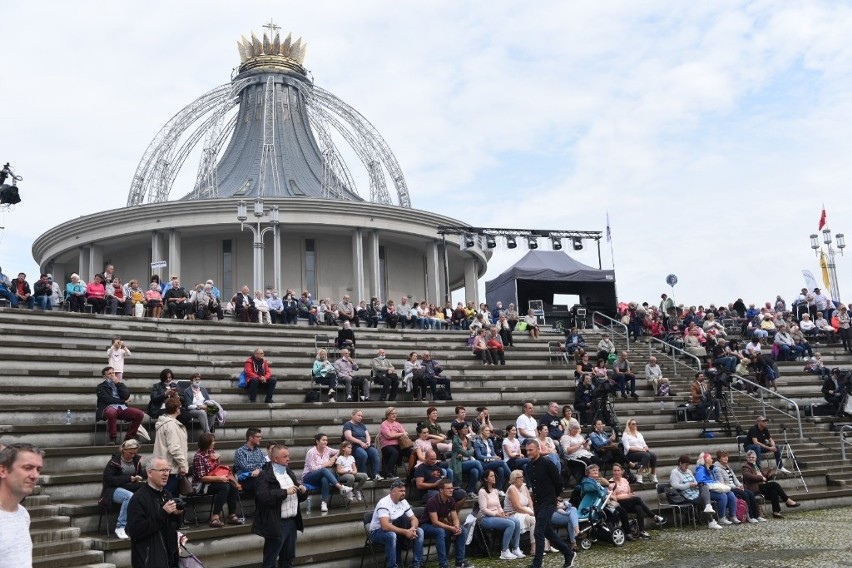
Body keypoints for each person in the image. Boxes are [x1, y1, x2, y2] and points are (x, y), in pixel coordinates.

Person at [253, 445, 308, 568]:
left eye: (288, 456)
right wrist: (284, 492)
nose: (288, 459)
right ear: (276, 459)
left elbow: (298, 496)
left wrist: (303, 492)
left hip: (292, 522)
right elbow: (263, 497)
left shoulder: (288, 472)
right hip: (276, 523)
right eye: (285, 456)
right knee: (270, 560)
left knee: (288, 558)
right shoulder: (264, 475)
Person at [525, 439, 576, 568]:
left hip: (548, 502)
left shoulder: (547, 463)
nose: (529, 452)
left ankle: (537, 563)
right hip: (538, 503)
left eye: (531, 450)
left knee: (538, 532)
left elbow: (559, 482)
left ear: (537, 449)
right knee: (548, 532)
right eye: (527, 450)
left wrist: (554, 497)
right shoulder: (528, 466)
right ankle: (568, 553)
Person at [126, 456, 184, 568]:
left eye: (168, 470)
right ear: (150, 473)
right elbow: (135, 531)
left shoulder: (167, 494)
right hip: (149, 560)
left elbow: (174, 526)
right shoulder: (138, 498)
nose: (166, 474)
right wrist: (163, 513)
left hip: (170, 557)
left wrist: (177, 516)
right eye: (162, 470)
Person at [0, 443, 44, 567]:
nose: (35, 475)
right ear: (3, 471)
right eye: (28, 467)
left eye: (38, 469)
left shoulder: (23, 514)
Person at [369, 479, 425, 568]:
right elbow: (385, 526)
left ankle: (417, 564)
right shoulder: (384, 503)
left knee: (420, 531)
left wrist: (412, 528)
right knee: (391, 535)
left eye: (404, 491)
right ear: (393, 492)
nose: (403, 493)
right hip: (377, 532)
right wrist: (405, 532)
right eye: (401, 491)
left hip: (397, 528)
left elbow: (414, 519)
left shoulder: (403, 501)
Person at [192, 433, 243, 527]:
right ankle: (215, 518)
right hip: (202, 485)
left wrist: (217, 460)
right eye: (213, 441)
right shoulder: (198, 457)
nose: (214, 443)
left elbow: (216, 469)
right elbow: (202, 478)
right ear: (207, 443)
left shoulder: (210, 451)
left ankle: (232, 515)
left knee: (232, 486)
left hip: (213, 481)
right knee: (224, 487)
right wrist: (219, 478)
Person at [99, 439, 147, 540]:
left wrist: (140, 476)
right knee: (129, 496)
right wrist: (129, 478)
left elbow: (139, 474)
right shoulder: (114, 462)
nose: (133, 455)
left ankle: (143, 523)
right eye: (130, 453)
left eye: (135, 453)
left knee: (147, 491)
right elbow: (109, 480)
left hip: (131, 487)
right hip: (113, 490)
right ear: (124, 450)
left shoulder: (136, 460)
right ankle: (120, 527)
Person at [419, 478, 472, 568]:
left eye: (452, 488)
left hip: (441, 524)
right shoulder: (432, 501)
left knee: (462, 530)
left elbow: (455, 517)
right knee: (441, 531)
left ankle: (460, 562)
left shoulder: (450, 500)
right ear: (441, 490)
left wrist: (456, 526)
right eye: (448, 488)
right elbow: (435, 522)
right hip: (427, 525)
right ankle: (443, 564)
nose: (451, 490)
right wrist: (451, 528)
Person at [608, 463, 665, 539]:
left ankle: (641, 531)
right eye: (614, 470)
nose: (616, 472)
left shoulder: (624, 480)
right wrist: (627, 496)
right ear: (612, 471)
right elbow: (614, 498)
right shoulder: (611, 482)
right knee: (637, 499)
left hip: (629, 501)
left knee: (639, 508)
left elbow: (629, 492)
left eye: (618, 470)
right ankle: (653, 516)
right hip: (620, 503)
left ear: (622, 471)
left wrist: (631, 495)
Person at [478, 469, 523, 560]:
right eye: (491, 476)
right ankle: (504, 551)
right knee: (510, 524)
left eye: (494, 475)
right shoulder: (482, 491)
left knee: (516, 521)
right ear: (486, 479)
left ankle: (515, 548)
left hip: (497, 515)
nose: (494, 477)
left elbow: (498, 506)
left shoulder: (495, 490)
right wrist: (497, 515)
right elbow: (483, 509)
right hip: (485, 518)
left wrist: (502, 513)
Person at [302, 433, 353, 513]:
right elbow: (312, 469)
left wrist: (334, 457)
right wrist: (327, 464)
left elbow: (339, 451)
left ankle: (324, 503)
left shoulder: (327, 449)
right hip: (309, 477)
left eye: (326, 440)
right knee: (324, 470)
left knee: (325, 479)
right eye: (323, 440)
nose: (325, 442)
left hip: (321, 476)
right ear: (317, 441)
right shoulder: (311, 452)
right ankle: (341, 487)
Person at [669, 454, 721, 529]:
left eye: (688, 465)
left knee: (704, 486)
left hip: (695, 492)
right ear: (680, 463)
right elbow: (675, 486)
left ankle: (708, 508)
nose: (687, 467)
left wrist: (696, 484)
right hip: (686, 495)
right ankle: (711, 521)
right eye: (686, 465)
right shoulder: (675, 472)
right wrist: (689, 485)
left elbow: (695, 481)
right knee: (705, 500)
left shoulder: (689, 471)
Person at [741, 450, 799, 518]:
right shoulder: (745, 467)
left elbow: (764, 477)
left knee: (774, 492)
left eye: (753, 457)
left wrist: (769, 475)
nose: (751, 458)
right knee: (774, 484)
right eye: (749, 457)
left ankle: (776, 512)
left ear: (756, 458)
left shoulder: (757, 466)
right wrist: (761, 478)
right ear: (747, 458)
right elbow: (748, 476)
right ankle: (787, 500)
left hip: (761, 485)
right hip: (754, 487)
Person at [96, 366, 146, 445]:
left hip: (122, 408)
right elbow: (107, 399)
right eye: (109, 374)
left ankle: (128, 439)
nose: (112, 375)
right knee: (111, 412)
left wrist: (118, 384)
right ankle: (113, 438)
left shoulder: (119, 384)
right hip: (108, 407)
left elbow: (126, 395)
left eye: (113, 373)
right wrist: (122, 401)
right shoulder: (101, 387)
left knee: (139, 414)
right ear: (104, 377)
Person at [713, 450, 763, 523]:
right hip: (728, 489)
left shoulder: (727, 467)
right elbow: (722, 484)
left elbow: (735, 478)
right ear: (719, 459)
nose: (726, 458)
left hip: (735, 487)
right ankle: (749, 516)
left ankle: (756, 515)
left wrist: (739, 485)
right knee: (744, 494)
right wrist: (735, 487)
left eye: (726, 457)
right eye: (724, 457)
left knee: (750, 493)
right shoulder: (717, 469)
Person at [152, 397, 189, 495]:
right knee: (168, 499)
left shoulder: (164, 423)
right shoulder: (171, 425)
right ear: (177, 408)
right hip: (170, 468)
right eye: (180, 407)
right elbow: (174, 448)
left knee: (170, 500)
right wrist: (183, 465)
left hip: (165, 467)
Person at [503, 468, 538, 555]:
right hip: (514, 514)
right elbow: (517, 507)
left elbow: (530, 502)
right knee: (534, 520)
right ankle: (534, 548)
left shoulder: (524, 486)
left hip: (525, 512)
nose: (522, 479)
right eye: (519, 477)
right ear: (514, 479)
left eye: (522, 477)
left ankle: (539, 546)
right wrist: (531, 513)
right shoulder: (512, 489)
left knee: (538, 519)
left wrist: (532, 511)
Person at [343, 409, 382, 480]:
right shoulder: (348, 424)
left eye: (361, 416)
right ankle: (362, 475)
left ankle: (376, 474)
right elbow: (348, 437)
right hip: (354, 445)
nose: (360, 417)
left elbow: (367, 435)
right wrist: (360, 442)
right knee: (363, 454)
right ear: (352, 415)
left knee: (375, 452)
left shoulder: (362, 425)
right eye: (358, 415)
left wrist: (368, 442)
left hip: (365, 445)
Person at [473, 425, 511, 490]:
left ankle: (499, 489)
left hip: (492, 462)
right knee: (502, 462)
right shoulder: (477, 442)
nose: (489, 432)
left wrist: (496, 457)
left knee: (500, 469)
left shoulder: (490, 441)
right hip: (484, 463)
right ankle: (513, 479)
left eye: (489, 430)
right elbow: (479, 456)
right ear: (482, 432)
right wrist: (493, 458)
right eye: (486, 430)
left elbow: (493, 453)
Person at [621, 418, 658, 483]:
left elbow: (644, 444)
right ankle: (639, 474)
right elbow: (628, 448)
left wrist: (646, 448)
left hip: (641, 452)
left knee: (653, 455)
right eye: (633, 424)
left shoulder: (639, 434)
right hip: (630, 454)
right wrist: (640, 449)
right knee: (646, 455)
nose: (635, 425)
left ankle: (652, 474)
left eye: (635, 424)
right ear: (629, 425)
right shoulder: (625, 434)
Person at [379, 407, 410, 479]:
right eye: (392, 413)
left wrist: (396, 434)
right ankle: (389, 474)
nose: (394, 415)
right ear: (387, 415)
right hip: (387, 446)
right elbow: (389, 436)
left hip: (400, 445)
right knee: (394, 453)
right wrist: (400, 434)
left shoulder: (398, 424)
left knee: (412, 453)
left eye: (395, 413)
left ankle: (412, 473)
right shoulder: (384, 424)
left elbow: (405, 434)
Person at [234, 428, 267, 496]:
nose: (260, 438)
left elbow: (264, 463)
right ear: (250, 438)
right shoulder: (240, 451)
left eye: (260, 437)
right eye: (258, 437)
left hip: (258, 477)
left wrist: (258, 470)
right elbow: (246, 467)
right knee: (261, 485)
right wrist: (259, 468)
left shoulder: (259, 451)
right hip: (246, 479)